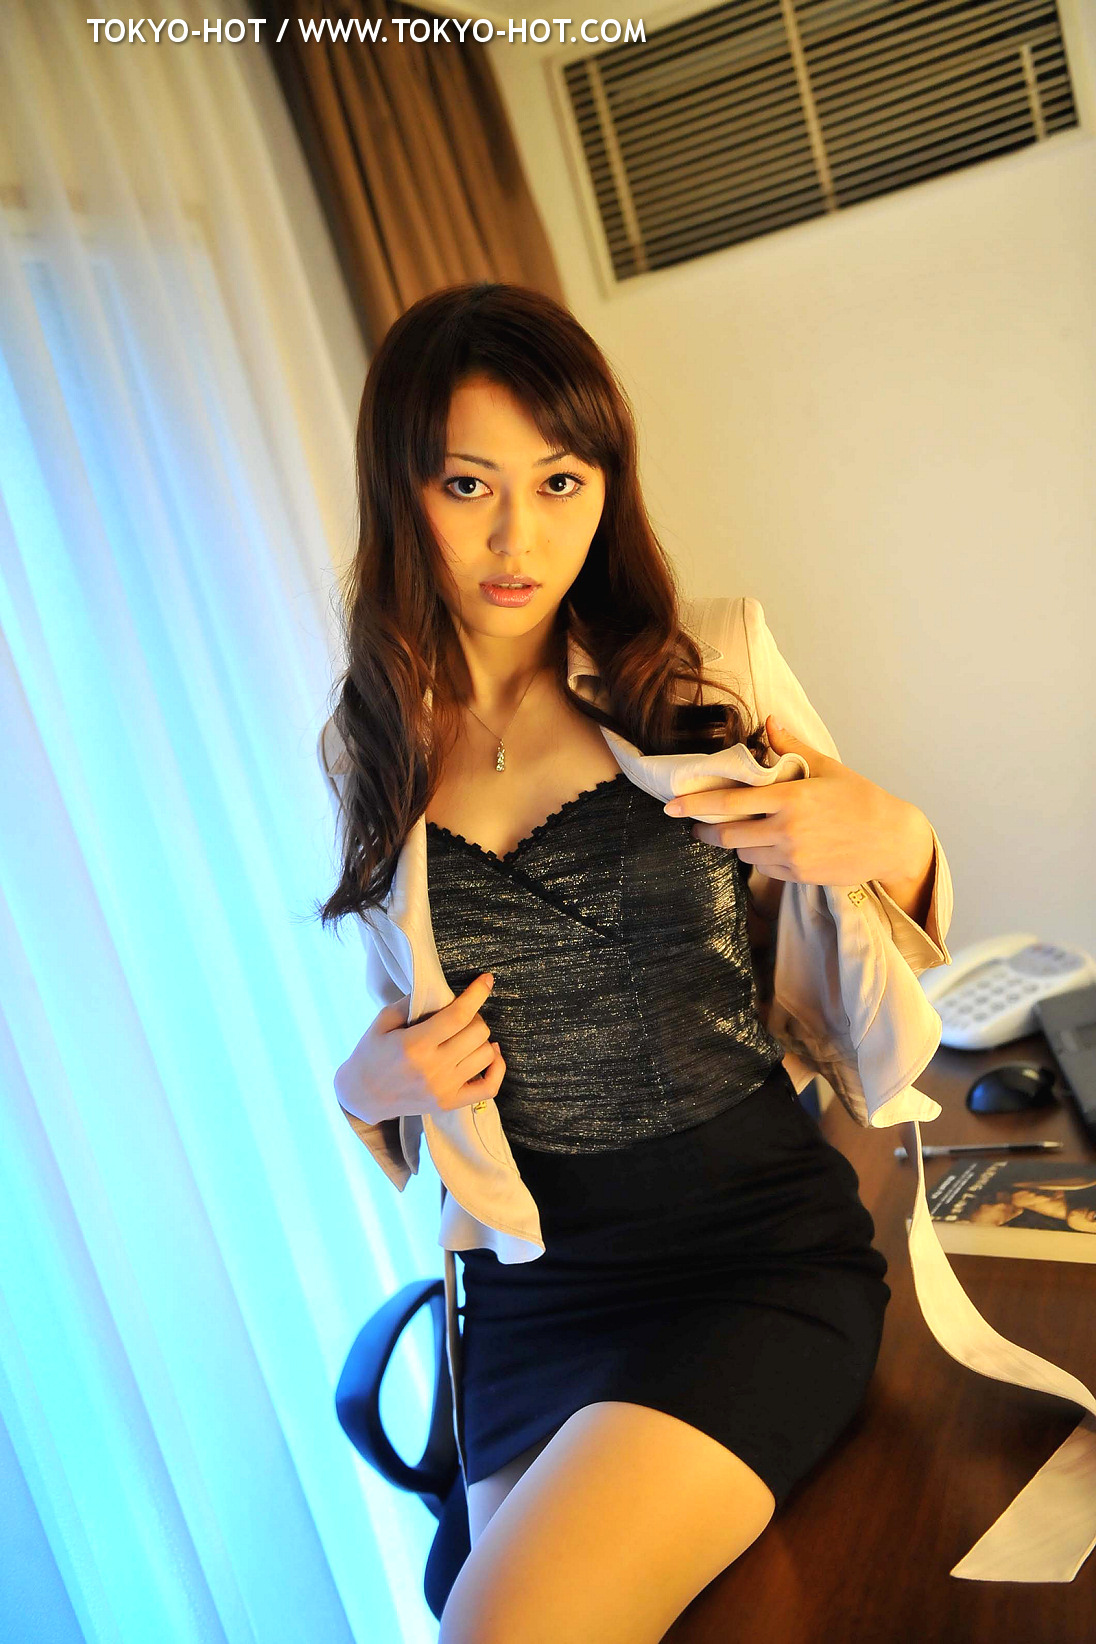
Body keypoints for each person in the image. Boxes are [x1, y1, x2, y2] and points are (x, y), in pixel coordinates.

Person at [318, 283, 943, 1643]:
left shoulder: (704, 665)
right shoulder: (374, 739)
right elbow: (394, 1036)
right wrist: (365, 1087)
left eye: (561, 481)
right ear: (401, 490)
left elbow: (869, 904)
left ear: (607, 482)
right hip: (534, 1292)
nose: (518, 537)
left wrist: (898, 834)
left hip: (748, 1258)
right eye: (468, 484)